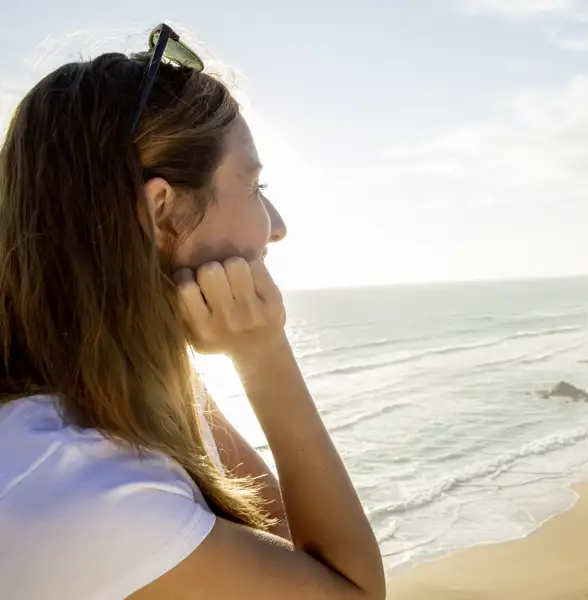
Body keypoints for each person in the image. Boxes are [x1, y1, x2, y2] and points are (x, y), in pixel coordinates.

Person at [0, 24, 385, 600]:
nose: (276, 226)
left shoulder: (92, 404)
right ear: (160, 211)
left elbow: (274, 536)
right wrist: (266, 356)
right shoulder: (91, 494)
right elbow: (351, 590)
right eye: (255, 187)